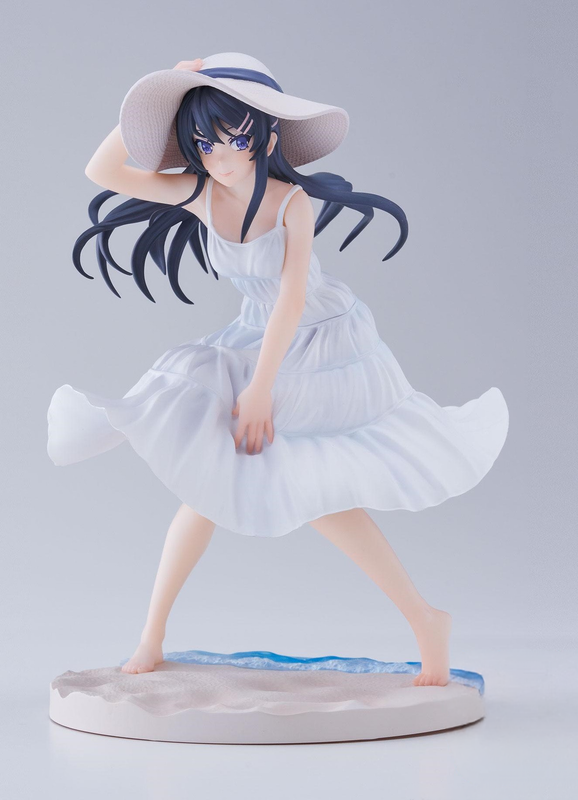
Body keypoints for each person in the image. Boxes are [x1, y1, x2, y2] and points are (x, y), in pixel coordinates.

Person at [47, 53, 509, 683]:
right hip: (256, 334)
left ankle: (425, 619)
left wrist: (261, 390)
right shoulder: (198, 192)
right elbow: (101, 170)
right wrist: (164, 88)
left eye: (235, 140)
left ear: (266, 139)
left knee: (309, 482)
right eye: (205, 143)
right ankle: (152, 636)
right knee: (205, 477)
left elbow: (292, 300)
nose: (221, 158)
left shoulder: (291, 202)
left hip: (320, 340)